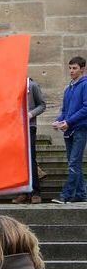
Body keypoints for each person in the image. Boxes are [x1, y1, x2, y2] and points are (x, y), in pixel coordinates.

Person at [51, 56, 87, 204]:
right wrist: (59, 121)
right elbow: (65, 110)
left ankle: (65, 195)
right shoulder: (68, 88)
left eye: (75, 68)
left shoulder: (85, 85)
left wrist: (69, 121)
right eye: (70, 68)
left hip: (80, 129)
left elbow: (86, 108)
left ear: (83, 69)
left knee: (73, 163)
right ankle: (81, 194)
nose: (71, 71)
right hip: (69, 130)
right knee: (74, 164)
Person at [14, 78, 46, 204]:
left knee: (30, 158)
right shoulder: (12, 86)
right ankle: (23, 191)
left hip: (29, 126)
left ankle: (35, 192)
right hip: (15, 128)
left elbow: (42, 105)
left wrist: (30, 114)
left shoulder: (32, 86)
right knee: (19, 160)